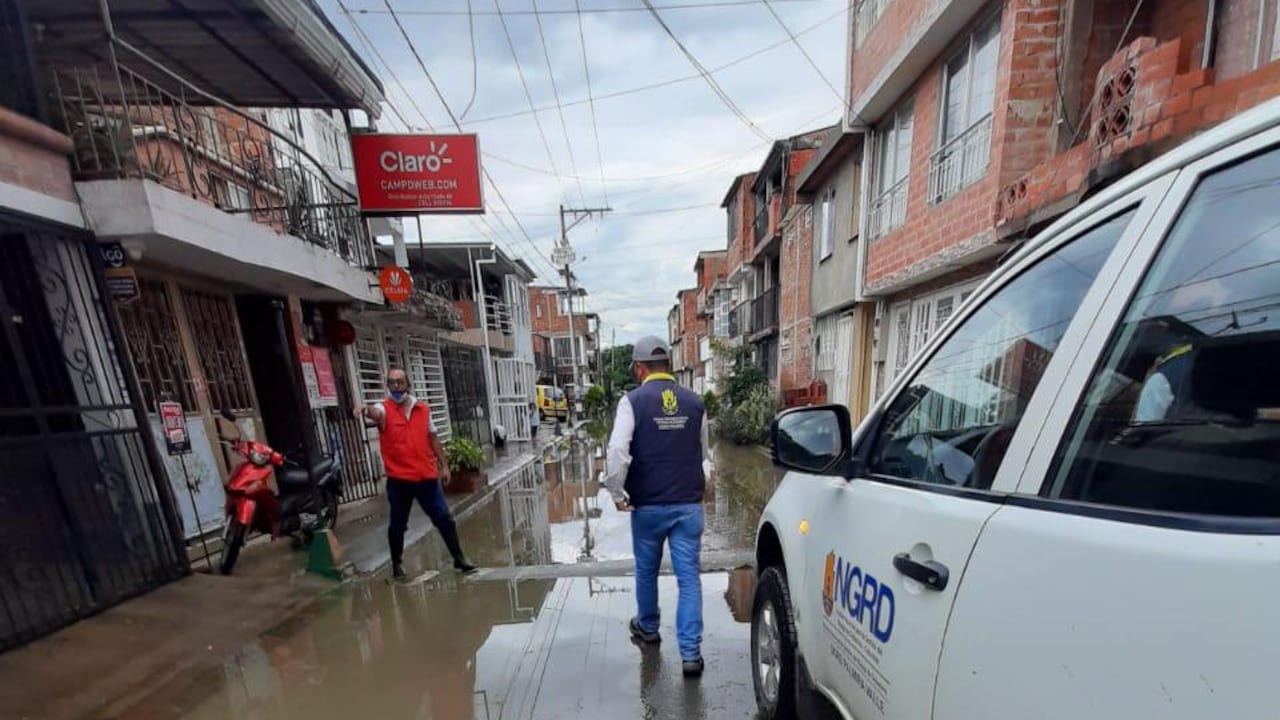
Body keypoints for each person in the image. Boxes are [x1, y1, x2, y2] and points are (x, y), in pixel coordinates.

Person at [604, 336, 714, 678]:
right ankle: (691, 654)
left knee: (647, 570)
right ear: (668, 364)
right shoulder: (695, 403)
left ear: (640, 369)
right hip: (688, 506)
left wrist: (617, 493)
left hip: (648, 507)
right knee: (689, 578)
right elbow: (704, 454)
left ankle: (648, 628)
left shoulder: (632, 402)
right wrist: (700, 486)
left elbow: (617, 451)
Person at [357, 368, 476, 581]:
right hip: (400, 481)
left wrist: (444, 466)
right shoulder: (384, 409)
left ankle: (459, 558)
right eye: (392, 383)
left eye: (400, 382)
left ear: (408, 384)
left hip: (426, 478)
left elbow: (433, 438)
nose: (396, 387)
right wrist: (365, 409)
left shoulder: (422, 409)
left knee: (444, 519)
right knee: (398, 525)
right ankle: (397, 565)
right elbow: (375, 413)